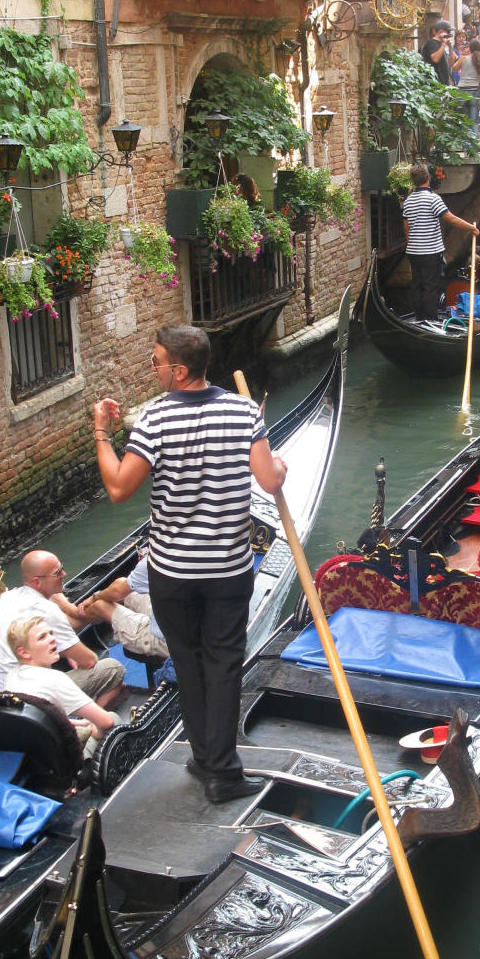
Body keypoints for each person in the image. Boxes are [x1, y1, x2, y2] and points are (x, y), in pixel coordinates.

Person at [91, 325, 287, 804]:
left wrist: (101, 433)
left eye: (156, 361)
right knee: (223, 665)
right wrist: (279, 464)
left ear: (179, 370)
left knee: (191, 662)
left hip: (172, 574)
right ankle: (220, 770)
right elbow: (268, 479)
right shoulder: (243, 412)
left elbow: (118, 488)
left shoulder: (154, 420)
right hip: (226, 570)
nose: (153, 368)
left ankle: (206, 758)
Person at [0, 550, 125, 700]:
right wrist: (70, 651)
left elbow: (70, 622)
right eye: (57, 573)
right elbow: (89, 661)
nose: (64, 574)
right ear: (36, 582)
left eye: (61, 568)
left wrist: (66, 648)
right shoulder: (47, 610)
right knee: (112, 670)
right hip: (25, 699)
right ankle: (93, 721)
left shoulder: (9, 597)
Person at [5, 614, 120, 745]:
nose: (52, 639)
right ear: (24, 653)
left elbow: (49, 719)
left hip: (35, 749)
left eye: (50, 633)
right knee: (114, 719)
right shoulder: (55, 679)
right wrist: (93, 729)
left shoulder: (11, 676)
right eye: (42, 637)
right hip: (66, 757)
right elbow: (106, 722)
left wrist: (81, 723)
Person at [401, 161, 479, 320]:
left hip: (413, 252)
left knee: (417, 285)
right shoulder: (433, 199)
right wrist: (471, 227)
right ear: (428, 177)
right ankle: (430, 319)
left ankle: (419, 317)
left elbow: (406, 228)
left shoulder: (408, 201)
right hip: (430, 252)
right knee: (430, 286)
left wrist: (413, 245)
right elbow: (451, 219)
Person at [79, 554, 169, 662]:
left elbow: (117, 592)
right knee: (123, 589)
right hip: (179, 620)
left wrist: (94, 597)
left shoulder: (159, 558)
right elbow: (120, 586)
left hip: (169, 640)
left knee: (100, 606)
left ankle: (74, 618)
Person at [452, 35, 480, 134]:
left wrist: (461, 55)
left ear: (470, 48)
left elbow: (454, 69)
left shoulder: (463, 59)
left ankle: (465, 147)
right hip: (474, 91)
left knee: (463, 121)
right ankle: (474, 147)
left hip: (462, 90)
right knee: (473, 120)